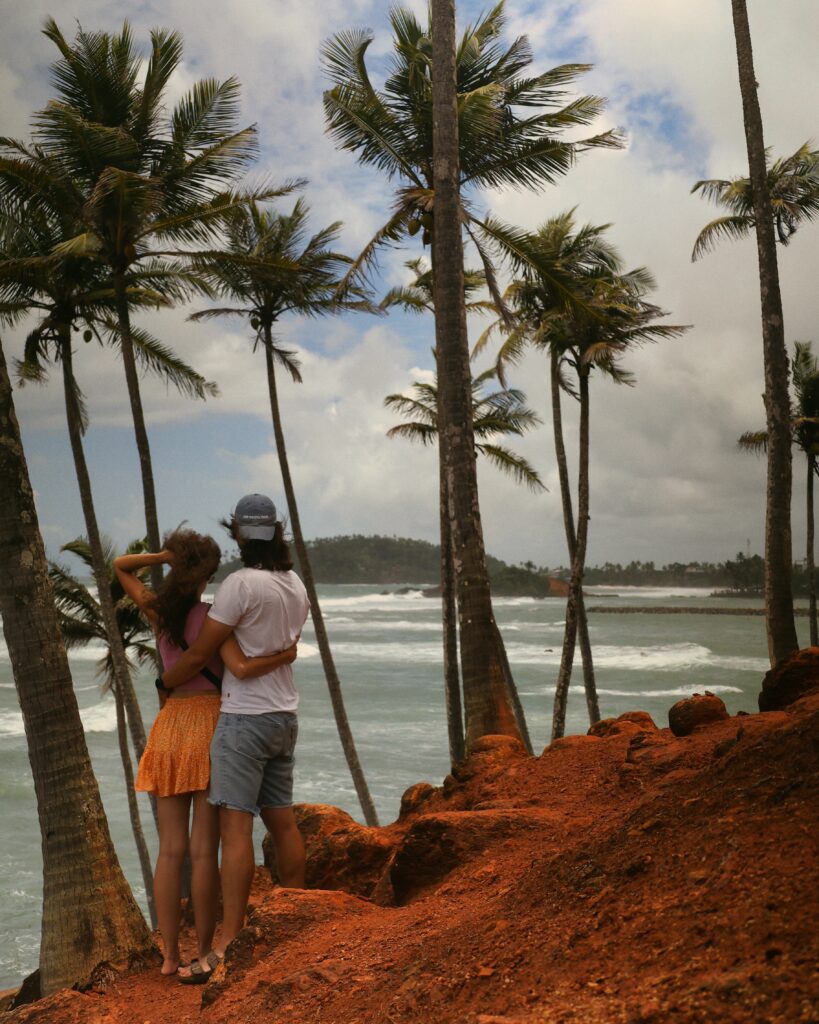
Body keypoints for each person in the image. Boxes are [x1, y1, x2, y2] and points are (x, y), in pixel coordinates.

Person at [113, 529, 297, 980]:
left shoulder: (158, 611)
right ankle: (203, 951)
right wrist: (285, 655)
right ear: (209, 574)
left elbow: (119, 566)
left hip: (172, 726)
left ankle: (169, 956)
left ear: (177, 568)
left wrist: (164, 556)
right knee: (204, 848)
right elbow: (238, 666)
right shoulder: (214, 618)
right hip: (214, 723)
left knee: (170, 850)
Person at [157, 495, 310, 983]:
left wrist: (165, 683)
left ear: (241, 535)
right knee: (283, 822)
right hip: (284, 716)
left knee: (235, 832)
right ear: (276, 533)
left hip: (243, 719)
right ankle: (301, 920)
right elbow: (275, 649)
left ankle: (225, 946)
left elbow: (202, 651)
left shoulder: (238, 585)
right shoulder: (295, 585)